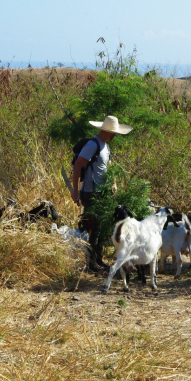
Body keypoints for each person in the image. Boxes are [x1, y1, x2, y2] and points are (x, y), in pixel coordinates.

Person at [71, 115, 132, 273]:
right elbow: (77, 167)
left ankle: (98, 260)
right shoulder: (93, 145)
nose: (115, 135)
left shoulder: (105, 146)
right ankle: (91, 263)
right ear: (109, 132)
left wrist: (114, 183)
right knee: (93, 229)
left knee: (101, 228)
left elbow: (109, 166)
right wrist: (75, 191)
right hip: (91, 193)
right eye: (114, 132)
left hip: (102, 193)